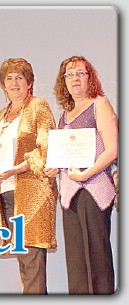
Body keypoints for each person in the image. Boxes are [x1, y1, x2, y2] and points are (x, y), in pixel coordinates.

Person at [45, 56, 117, 294]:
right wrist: (55, 166)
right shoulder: (65, 113)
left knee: (97, 256)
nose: (74, 79)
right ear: (63, 81)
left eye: (80, 73)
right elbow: (63, 152)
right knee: (75, 260)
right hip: (69, 193)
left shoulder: (100, 104)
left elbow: (114, 149)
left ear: (90, 77)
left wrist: (88, 173)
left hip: (93, 190)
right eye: (69, 75)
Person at [0, 57, 57, 294]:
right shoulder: (2, 114)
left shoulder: (38, 106)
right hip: (7, 191)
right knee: (24, 262)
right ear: (2, 84)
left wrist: (18, 168)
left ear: (29, 82)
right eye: (9, 78)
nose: (14, 83)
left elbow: (47, 148)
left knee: (32, 259)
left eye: (19, 77)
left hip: (32, 190)